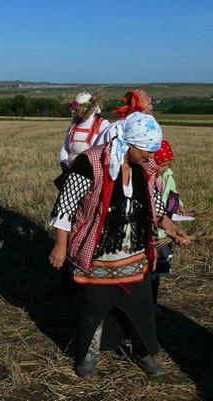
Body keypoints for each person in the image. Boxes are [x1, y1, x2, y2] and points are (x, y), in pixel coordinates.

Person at [48, 112, 190, 378]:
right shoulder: (89, 162)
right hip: (97, 252)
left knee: (142, 305)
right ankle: (87, 355)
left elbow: (155, 204)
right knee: (94, 306)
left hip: (133, 252)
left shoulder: (144, 168)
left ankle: (143, 351)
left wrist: (171, 228)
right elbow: (64, 207)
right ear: (129, 143)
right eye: (146, 150)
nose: (151, 157)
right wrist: (60, 245)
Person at [152, 140, 184, 313]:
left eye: (167, 165)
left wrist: (179, 203)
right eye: (162, 165)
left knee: (157, 270)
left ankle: (153, 303)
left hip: (164, 230)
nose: (165, 168)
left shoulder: (167, 176)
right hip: (153, 230)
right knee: (148, 269)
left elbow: (172, 192)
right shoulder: (147, 179)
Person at [59, 91, 111, 170]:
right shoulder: (73, 125)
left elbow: (107, 152)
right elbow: (66, 147)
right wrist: (63, 162)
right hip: (71, 171)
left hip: (93, 172)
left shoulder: (103, 124)